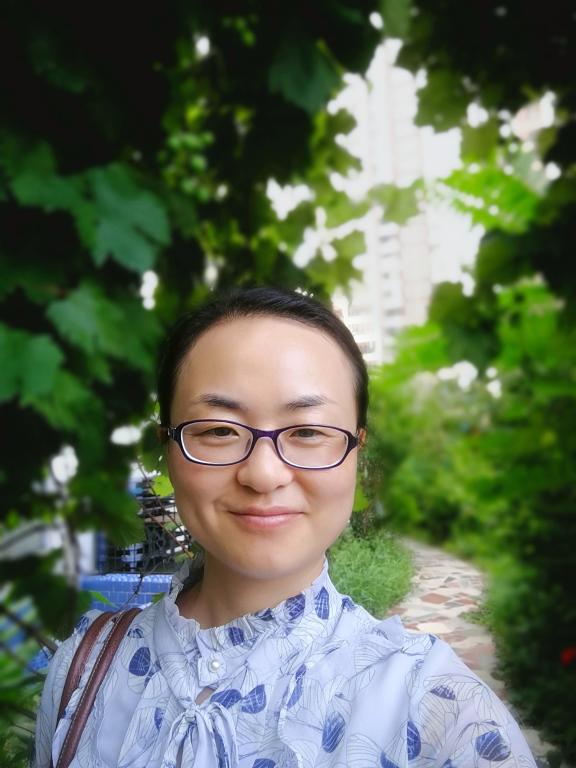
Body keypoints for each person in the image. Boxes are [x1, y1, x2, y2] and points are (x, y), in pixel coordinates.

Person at [35, 286, 536, 768]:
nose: (263, 474)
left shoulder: (444, 717)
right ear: (167, 446)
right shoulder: (85, 668)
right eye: (219, 430)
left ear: (356, 450)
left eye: (308, 432)